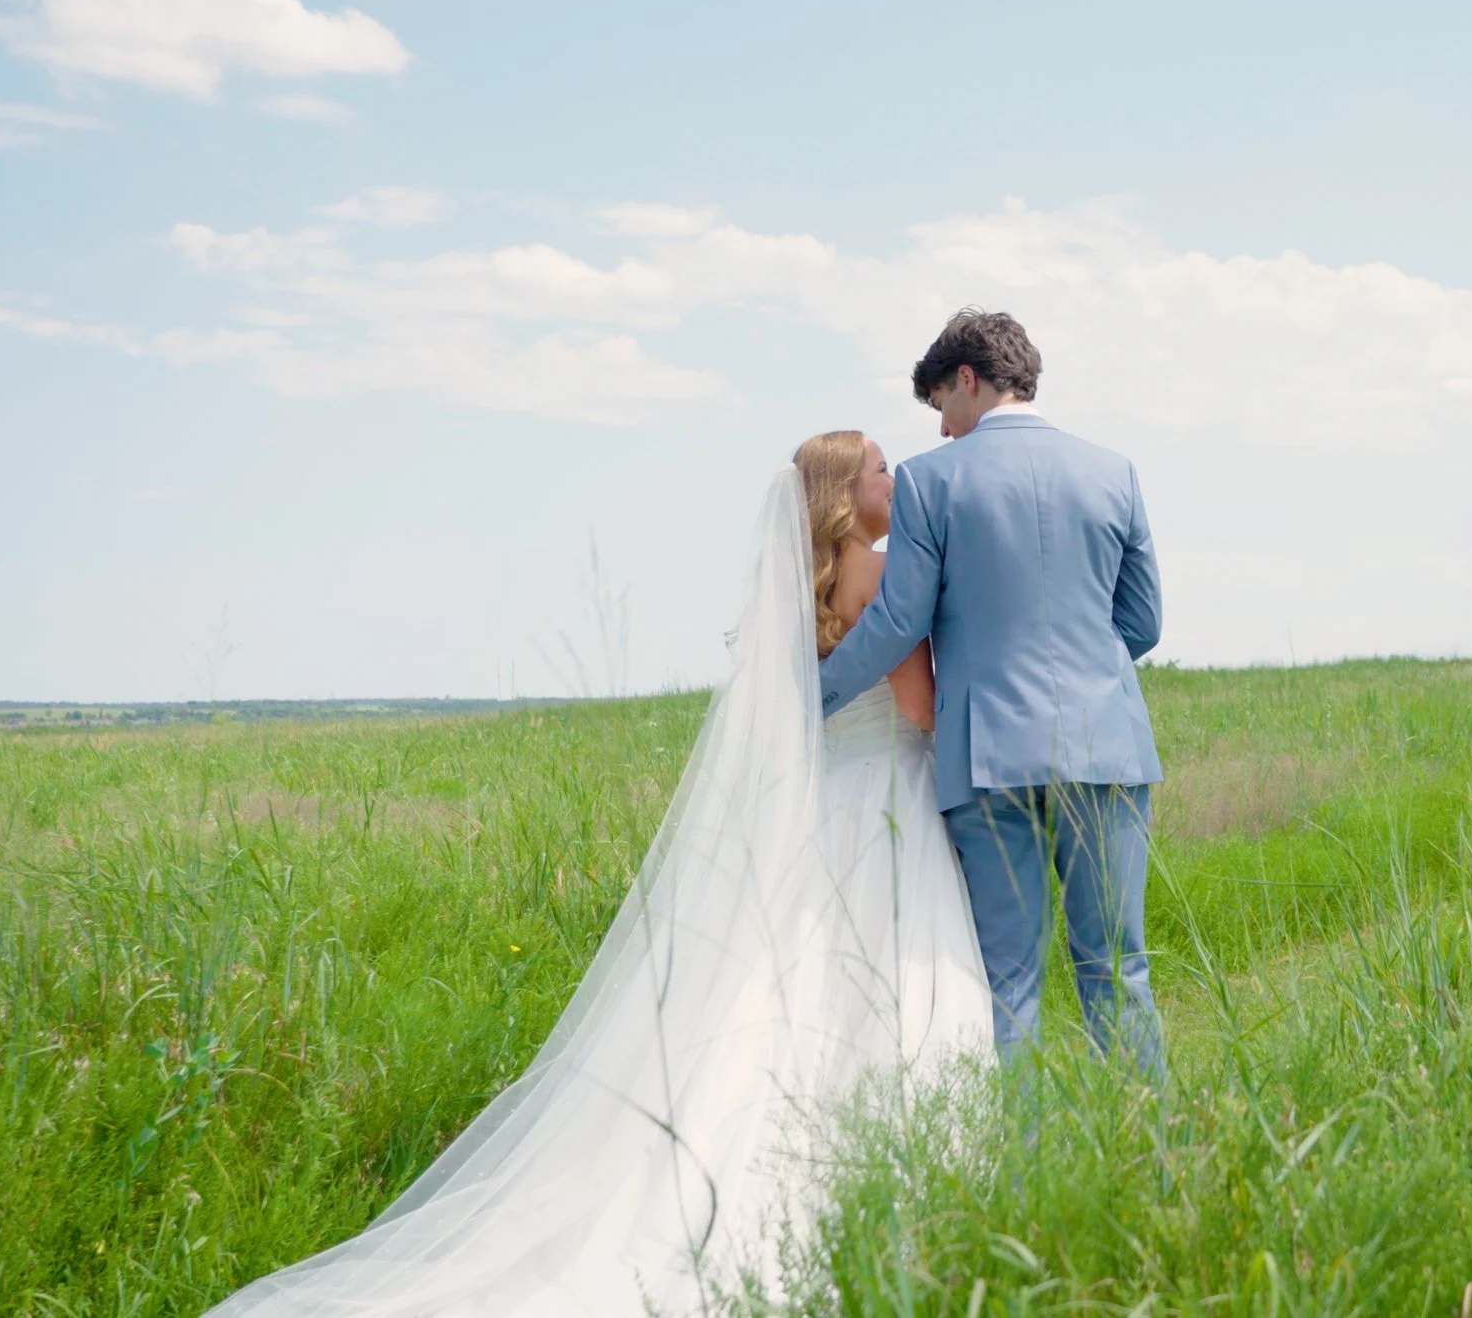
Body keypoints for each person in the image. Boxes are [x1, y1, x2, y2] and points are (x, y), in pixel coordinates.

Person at [204, 435, 991, 1316]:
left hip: (820, 811)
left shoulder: (793, 595)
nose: (899, 480)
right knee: (895, 992)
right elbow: (919, 710)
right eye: (881, 469)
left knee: (793, 997)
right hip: (889, 799)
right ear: (846, 497)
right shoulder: (884, 576)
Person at [816, 309, 1167, 1078]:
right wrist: (1086, 672)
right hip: (1107, 749)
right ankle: (1148, 1160)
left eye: (941, 404)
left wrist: (812, 696)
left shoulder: (930, 480)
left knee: (1009, 986)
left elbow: (899, 619)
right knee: (1118, 969)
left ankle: (1021, 1181)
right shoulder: (1115, 471)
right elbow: (1142, 624)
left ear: (967, 380)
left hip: (987, 760)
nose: (942, 428)